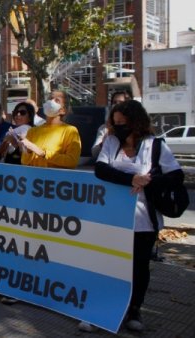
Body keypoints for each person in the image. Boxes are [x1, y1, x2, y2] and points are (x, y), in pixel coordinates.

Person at [90, 100, 183, 332]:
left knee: (139, 267)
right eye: (116, 123)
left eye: (124, 123)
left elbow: (176, 175)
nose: (119, 127)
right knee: (110, 264)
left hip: (144, 220)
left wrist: (148, 181)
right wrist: (131, 179)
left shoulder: (155, 145)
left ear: (136, 122)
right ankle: (105, 308)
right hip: (113, 218)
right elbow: (101, 170)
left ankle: (134, 309)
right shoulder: (111, 142)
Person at [20, 90, 81, 168]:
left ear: (63, 110)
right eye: (50, 98)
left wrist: (43, 153)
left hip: (55, 179)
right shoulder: (32, 131)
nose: (51, 101)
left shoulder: (70, 131)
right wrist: (28, 151)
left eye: (57, 100)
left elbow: (72, 161)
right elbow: (24, 162)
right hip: (35, 178)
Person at [91, 90, 133, 158]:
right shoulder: (104, 128)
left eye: (121, 102)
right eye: (114, 102)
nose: (117, 105)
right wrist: (106, 139)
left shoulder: (135, 127)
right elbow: (95, 153)